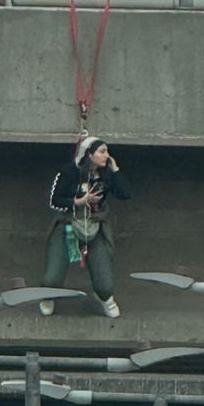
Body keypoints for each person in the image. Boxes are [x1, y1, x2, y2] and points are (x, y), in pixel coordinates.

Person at [40, 136, 131, 318]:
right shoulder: (69, 172)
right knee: (52, 278)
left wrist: (116, 171)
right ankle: (47, 296)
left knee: (104, 282)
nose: (106, 155)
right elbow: (54, 201)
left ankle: (105, 297)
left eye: (106, 151)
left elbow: (125, 194)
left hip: (94, 226)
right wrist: (79, 201)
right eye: (102, 151)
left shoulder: (106, 175)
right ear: (89, 154)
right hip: (69, 225)